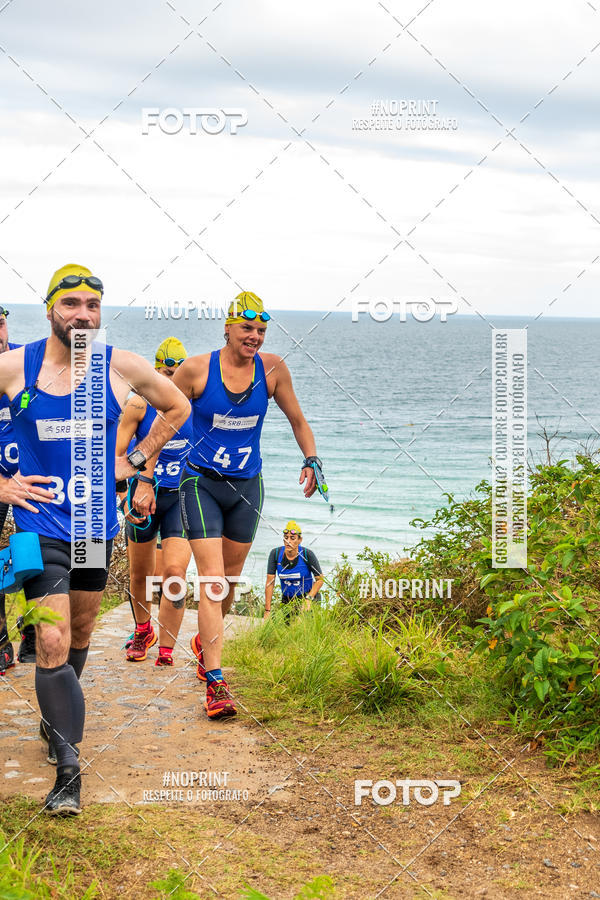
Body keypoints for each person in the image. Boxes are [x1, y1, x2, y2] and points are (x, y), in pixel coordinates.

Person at [0, 263, 190, 815]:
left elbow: (177, 407)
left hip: (93, 528)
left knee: (81, 631)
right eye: (72, 304)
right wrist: (3, 486)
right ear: (51, 308)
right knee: (53, 640)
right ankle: (67, 767)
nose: (83, 314)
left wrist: (133, 460)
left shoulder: (120, 367)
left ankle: (55, 716)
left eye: (93, 305)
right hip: (38, 525)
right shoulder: (15, 367)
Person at [174, 291, 324, 719]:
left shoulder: (273, 369)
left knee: (230, 582)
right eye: (247, 328)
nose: (254, 337)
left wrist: (311, 458)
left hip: (246, 487)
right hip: (200, 482)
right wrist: (144, 475)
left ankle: (207, 640)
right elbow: (160, 413)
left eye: (261, 330)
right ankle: (217, 683)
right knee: (213, 581)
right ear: (227, 327)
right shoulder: (197, 369)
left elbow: (297, 419)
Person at [116, 337, 193, 666]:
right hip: (142, 495)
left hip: (182, 497)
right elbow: (118, 453)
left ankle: (166, 648)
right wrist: (123, 494)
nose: (170, 379)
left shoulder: (195, 406)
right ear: (153, 370)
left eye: (176, 372)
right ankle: (143, 629)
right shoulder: (138, 405)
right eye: (163, 372)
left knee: (174, 573)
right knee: (140, 573)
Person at [0, 306, 36, 674]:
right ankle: (0, 641)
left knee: (37, 561)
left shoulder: (31, 365)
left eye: (0, 323)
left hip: (33, 479)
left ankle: (34, 629)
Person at [264, 520, 324, 621]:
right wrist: (267, 610)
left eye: (292, 538)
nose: (288, 541)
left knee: (304, 629)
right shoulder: (275, 554)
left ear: (300, 540)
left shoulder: (307, 554)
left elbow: (320, 579)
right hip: (287, 599)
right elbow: (270, 583)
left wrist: (308, 599)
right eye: (286, 538)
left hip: (308, 597)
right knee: (286, 631)